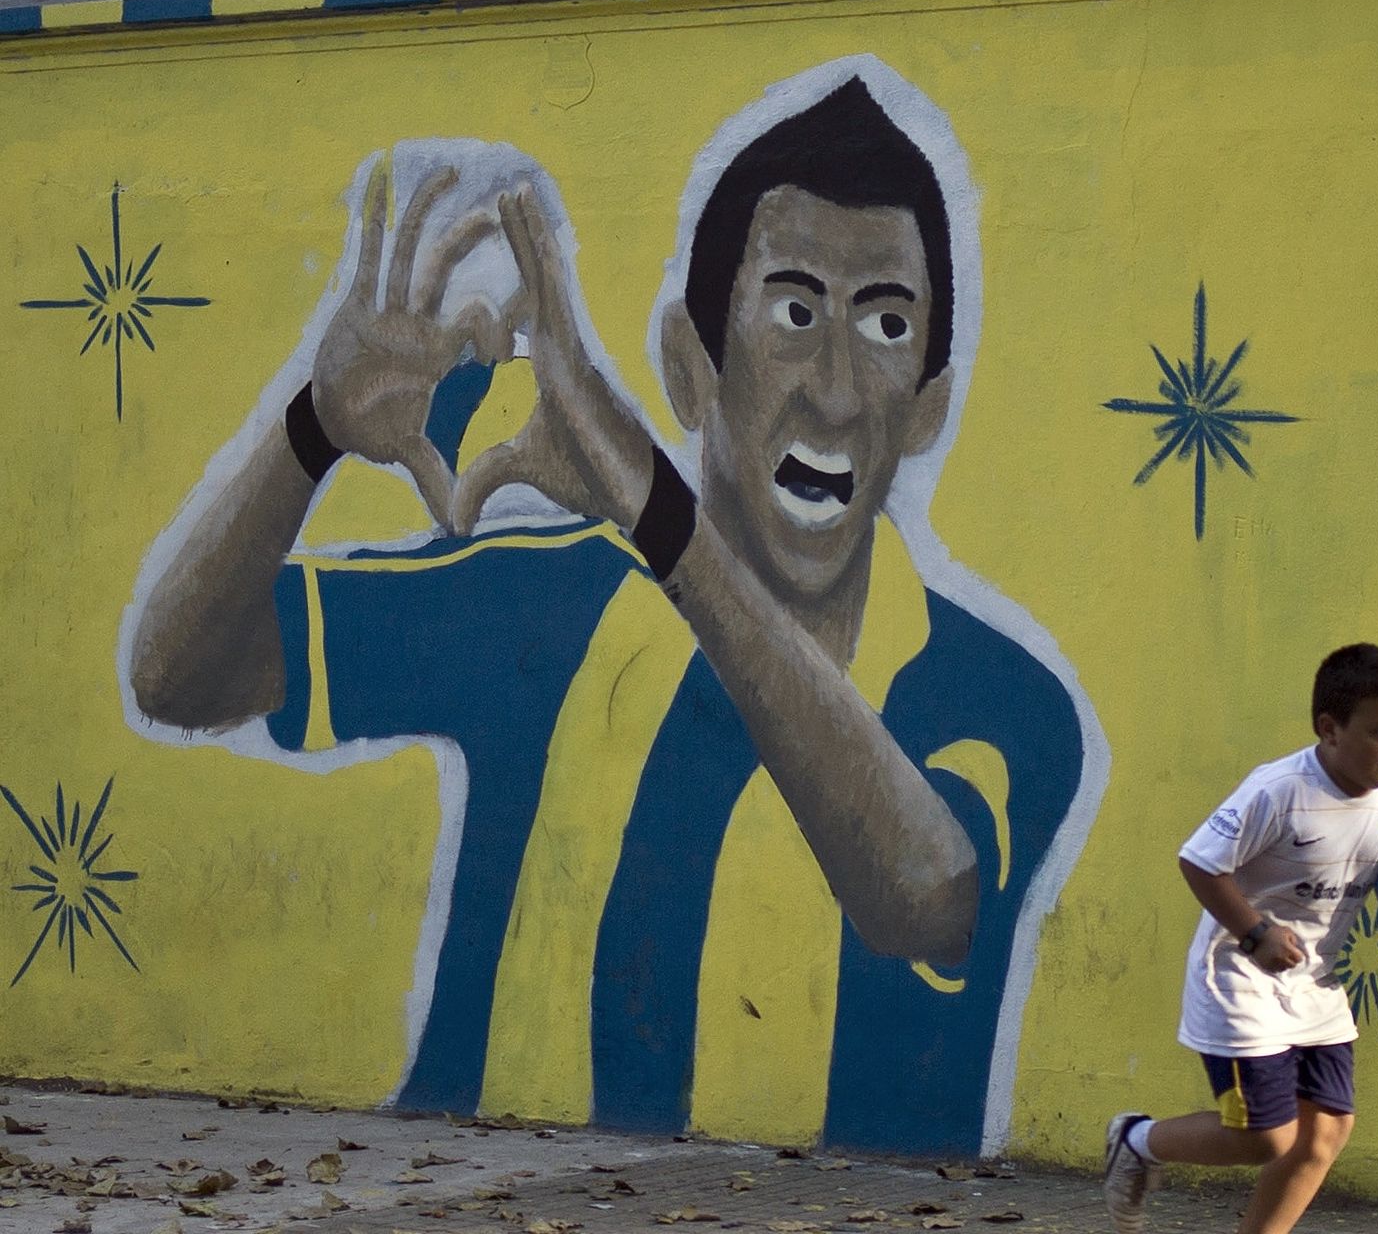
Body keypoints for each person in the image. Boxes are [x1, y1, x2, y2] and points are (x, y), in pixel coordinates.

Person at [119, 57, 1103, 1155]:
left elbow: (926, 898)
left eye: (883, 328)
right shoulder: (544, 609)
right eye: (791, 310)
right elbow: (175, 676)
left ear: (929, 407)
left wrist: (659, 514)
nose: (833, 388)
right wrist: (311, 430)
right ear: (690, 365)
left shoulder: (1009, 704)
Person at [1101, 643, 1378, 1234]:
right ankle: (1136, 1140)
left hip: (1316, 985)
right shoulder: (1277, 791)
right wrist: (1254, 931)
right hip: (1241, 976)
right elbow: (1200, 862)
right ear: (1329, 729)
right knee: (1266, 1136)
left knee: (1325, 1133)